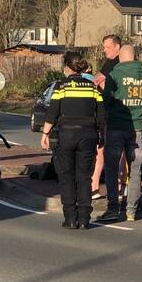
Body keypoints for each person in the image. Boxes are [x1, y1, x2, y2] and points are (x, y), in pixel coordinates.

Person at [40, 51, 106, 230]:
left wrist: (45, 134)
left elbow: (52, 113)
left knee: (66, 176)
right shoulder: (92, 87)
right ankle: (85, 219)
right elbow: (101, 114)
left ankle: (70, 218)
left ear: (67, 68)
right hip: (88, 135)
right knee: (84, 177)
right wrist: (101, 135)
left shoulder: (61, 87)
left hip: (67, 135)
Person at [98, 44, 142, 223]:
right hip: (137, 127)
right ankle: (131, 211)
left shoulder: (116, 73)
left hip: (116, 127)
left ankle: (113, 208)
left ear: (120, 57)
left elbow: (107, 100)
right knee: (135, 170)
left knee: (112, 168)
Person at [90, 34, 122, 199]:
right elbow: (97, 79)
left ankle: (111, 187)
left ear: (117, 47)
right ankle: (97, 185)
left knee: (110, 150)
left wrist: (101, 83)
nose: (104, 50)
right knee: (104, 150)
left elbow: (100, 81)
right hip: (107, 112)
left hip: (113, 112)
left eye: (107, 47)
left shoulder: (118, 63)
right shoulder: (109, 62)